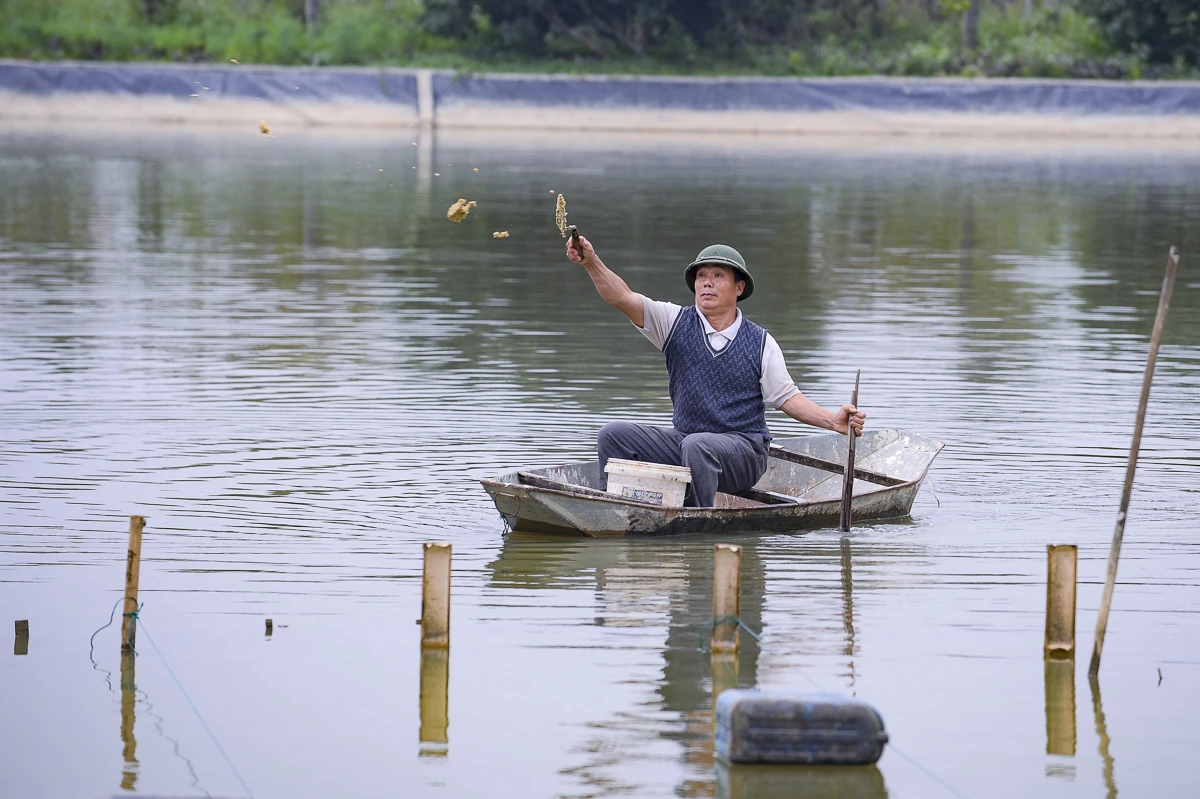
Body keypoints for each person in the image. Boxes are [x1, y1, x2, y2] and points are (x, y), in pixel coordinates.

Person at [566, 235, 865, 508]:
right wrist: (591, 262)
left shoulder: (761, 342)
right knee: (613, 435)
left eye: (718, 276)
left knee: (699, 446)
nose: (706, 283)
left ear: (739, 287)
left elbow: (787, 398)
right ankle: (612, 508)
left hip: (744, 453)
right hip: (687, 442)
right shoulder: (673, 322)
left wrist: (833, 422)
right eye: (701, 276)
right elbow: (622, 298)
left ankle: (698, 519)